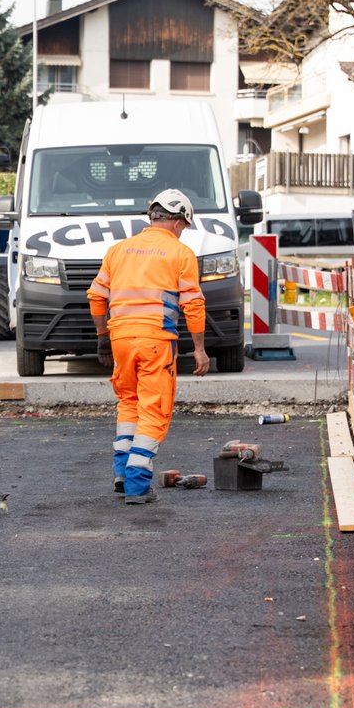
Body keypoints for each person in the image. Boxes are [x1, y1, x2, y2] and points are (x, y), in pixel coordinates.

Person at [87, 188, 208, 505]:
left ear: (152, 216)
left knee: (129, 402)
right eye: (184, 226)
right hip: (156, 342)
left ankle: (123, 475)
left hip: (121, 341)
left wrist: (103, 338)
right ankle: (138, 486)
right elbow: (193, 305)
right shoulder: (180, 254)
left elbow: (97, 296)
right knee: (154, 409)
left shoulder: (119, 250)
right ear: (178, 221)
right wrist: (199, 349)